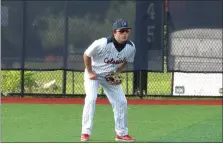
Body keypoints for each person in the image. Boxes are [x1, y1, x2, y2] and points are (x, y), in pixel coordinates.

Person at [81, 19, 136, 142]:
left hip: (109, 76)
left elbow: (127, 60)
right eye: (121, 31)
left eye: (127, 31)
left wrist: (116, 73)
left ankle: (121, 134)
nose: (125, 33)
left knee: (121, 102)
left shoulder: (130, 47)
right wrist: (89, 72)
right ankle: (85, 132)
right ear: (114, 32)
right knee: (91, 98)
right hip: (94, 74)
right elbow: (87, 54)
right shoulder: (102, 43)